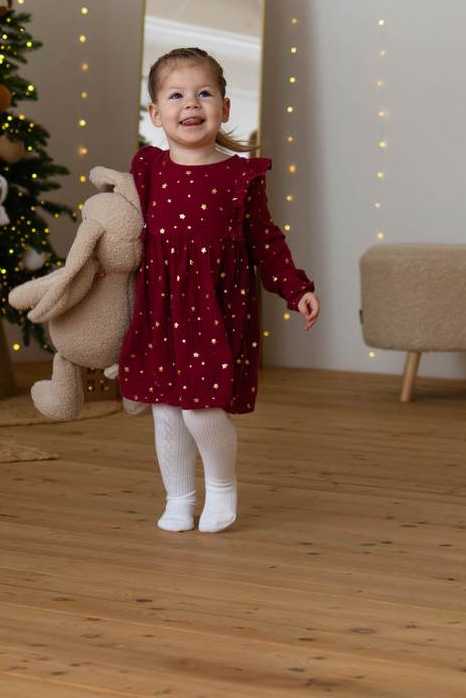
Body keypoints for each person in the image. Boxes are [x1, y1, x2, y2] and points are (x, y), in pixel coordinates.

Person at [122, 47, 320, 533]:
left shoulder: (239, 176)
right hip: (160, 309)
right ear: (155, 114)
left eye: (204, 94)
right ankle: (178, 498)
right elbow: (128, 233)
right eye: (176, 96)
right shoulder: (148, 167)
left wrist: (295, 288)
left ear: (225, 108)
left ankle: (222, 485)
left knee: (201, 410)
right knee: (167, 413)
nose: (191, 104)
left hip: (215, 311)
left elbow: (265, 242)